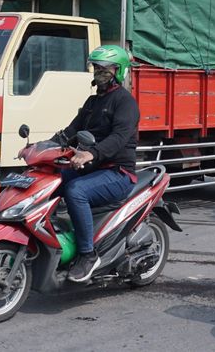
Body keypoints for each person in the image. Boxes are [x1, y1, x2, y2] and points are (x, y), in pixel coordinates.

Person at [54, 44, 140, 283]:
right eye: (96, 68)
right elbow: (71, 131)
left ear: (118, 71)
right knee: (51, 180)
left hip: (118, 172)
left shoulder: (125, 102)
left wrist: (91, 153)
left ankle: (87, 254)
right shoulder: (92, 102)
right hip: (92, 168)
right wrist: (40, 147)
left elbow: (119, 138)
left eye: (104, 69)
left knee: (75, 191)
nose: (99, 73)